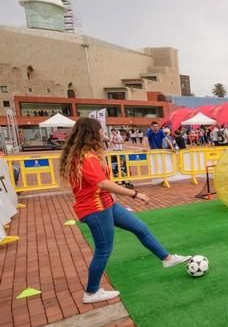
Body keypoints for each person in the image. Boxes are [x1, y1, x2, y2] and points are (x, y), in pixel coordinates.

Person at [59, 118, 191, 304]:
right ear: (92, 133)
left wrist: (113, 197)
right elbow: (102, 183)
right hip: (95, 209)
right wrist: (135, 194)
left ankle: (167, 257)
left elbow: (101, 184)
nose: (103, 133)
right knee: (103, 250)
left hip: (106, 204)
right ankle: (91, 292)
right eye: (100, 130)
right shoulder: (86, 158)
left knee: (140, 228)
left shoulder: (88, 155)